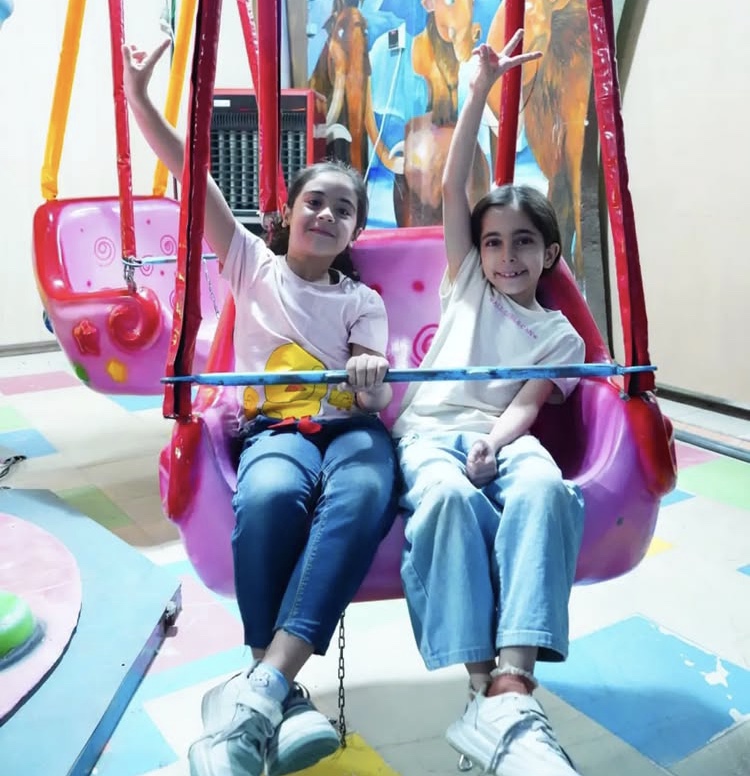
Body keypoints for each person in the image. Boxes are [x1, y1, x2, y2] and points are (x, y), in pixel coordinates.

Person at [123, 39, 398, 776]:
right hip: (275, 429)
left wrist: (371, 378)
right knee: (271, 495)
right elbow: (191, 173)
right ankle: (274, 686)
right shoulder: (251, 264)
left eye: (344, 210)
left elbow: (374, 397)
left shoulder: (363, 301)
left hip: (352, 429)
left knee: (363, 493)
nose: (328, 215)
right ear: (288, 213)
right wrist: (141, 98)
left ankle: (258, 693)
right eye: (316, 202)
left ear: (355, 231)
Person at [391, 31, 586, 776]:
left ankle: (511, 683)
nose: (507, 256)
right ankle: (486, 694)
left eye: (524, 243)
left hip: (503, 435)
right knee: (445, 502)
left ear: (549, 253)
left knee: (545, 490)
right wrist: (477, 91)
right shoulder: (467, 279)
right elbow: (451, 188)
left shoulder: (560, 335)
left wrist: (496, 445)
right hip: (431, 430)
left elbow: (529, 406)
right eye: (495, 242)